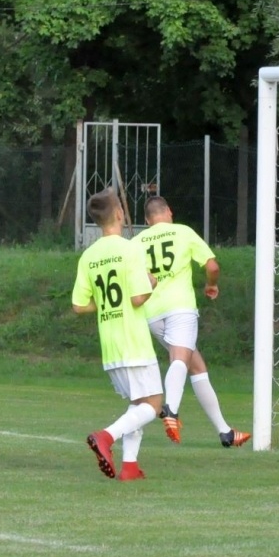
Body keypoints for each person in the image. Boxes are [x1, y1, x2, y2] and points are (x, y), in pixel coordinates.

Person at [135, 196, 251, 448]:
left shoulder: (136, 242)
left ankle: (225, 432)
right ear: (169, 212)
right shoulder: (183, 232)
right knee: (180, 358)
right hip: (180, 309)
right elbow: (212, 266)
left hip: (151, 314)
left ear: (146, 220)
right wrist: (211, 284)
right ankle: (171, 410)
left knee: (197, 367)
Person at [73, 190, 162, 481]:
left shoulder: (88, 255)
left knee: (138, 403)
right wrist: (152, 282)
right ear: (120, 214)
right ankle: (106, 436)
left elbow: (78, 305)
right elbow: (138, 298)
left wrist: (105, 302)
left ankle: (130, 466)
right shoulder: (130, 249)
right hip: (133, 339)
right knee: (153, 405)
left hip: (110, 343)